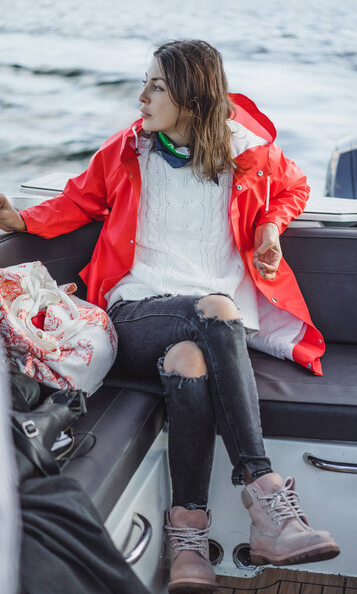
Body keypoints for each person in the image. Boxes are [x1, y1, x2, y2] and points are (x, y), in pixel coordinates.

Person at [0, 39, 339, 593]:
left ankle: (188, 535)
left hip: (210, 328)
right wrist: (21, 218)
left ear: (191, 96)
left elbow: (295, 187)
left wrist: (270, 228)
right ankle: (266, 494)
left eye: (156, 86)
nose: (142, 98)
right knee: (217, 309)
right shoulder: (128, 149)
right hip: (136, 310)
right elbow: (79, 200)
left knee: (189, 363)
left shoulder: (247, 154)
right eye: (147, 84)